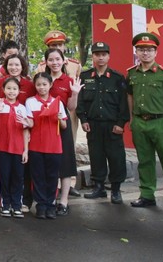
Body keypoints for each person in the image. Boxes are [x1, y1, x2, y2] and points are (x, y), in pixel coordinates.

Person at [127, 32, 163, 216]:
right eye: (141, 49)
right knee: (144, 161)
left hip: (162, 123)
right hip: (140, 123)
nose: (145, 53)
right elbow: (130, 96)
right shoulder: (132, 73)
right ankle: (147, 195)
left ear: (155, 52)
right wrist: (132, 119)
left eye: (149, 49)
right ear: (136, 52)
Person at [77, 41, 129, 204]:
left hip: (112, 125)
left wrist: (121, 123)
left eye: (103, 54)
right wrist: (83, 119)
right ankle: (99, 187)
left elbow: (124, 103)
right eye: (97, 54)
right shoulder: (85, 77)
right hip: (93, 124)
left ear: (108, 56)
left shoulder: (117, 78)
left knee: (116, 157)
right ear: (92, 56)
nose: (100, 57)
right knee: (96, 156)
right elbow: (80, 101)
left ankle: (116, 190)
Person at [24, 72, 68, 219]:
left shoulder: (57, 102)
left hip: (54, 146)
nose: (41, 87)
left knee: (52, 176)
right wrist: (25, 122)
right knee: (38, 176)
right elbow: (30, 123)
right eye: (38, 85)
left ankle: (51, 205)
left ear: (50, 85)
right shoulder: (30, 102)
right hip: (36, 145)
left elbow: (64, 126)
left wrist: (60, 119)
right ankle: (41, 205)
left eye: (44, 84)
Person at [0, 76, 32, 218]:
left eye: (14, 89)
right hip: (3, 147)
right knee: (4, 176)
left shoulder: (22, 108)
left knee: (18, 176)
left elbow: (25, 130)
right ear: (3, 90)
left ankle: (17, 204)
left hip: (18, 148)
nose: (11, 91)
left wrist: (26, 150)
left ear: (19, 91)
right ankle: (5, 204)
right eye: (8, 88)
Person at [44, 48, 82, 215]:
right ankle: (50, 198)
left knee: (65, 163)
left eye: (57, 59)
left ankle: (64, 201)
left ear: (63, 60)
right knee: (48, 162)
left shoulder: (69, 80)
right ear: (46, 62)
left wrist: (75, 94)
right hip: (45, 125)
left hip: (63, 124)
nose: (55, 63)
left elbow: (71, 107)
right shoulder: (42, 79)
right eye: (51, 59)